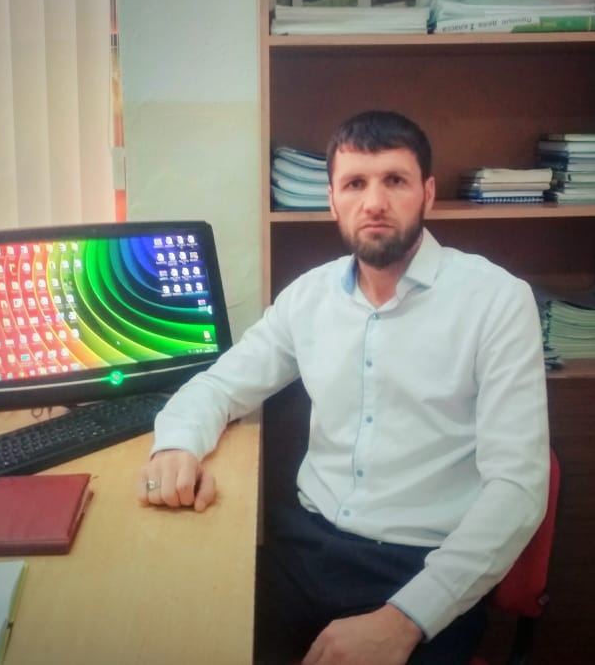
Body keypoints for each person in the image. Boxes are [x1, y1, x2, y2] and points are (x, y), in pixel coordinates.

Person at [136, 110, 550, 665]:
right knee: (183, 636)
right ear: (332, 200)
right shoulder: (308, 298)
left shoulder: (496, 301)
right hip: (305, 548)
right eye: (355, 184)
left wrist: (404, 620)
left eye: (394, 180)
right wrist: (175, 445)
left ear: (427, 193)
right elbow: (220, 386)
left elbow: (517, 489)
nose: (374, 202)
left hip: (424, 565)